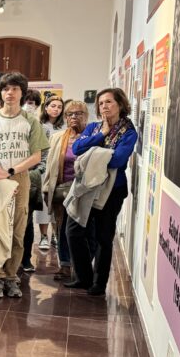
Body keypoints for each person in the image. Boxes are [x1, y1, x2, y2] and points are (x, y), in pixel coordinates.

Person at [0, 72, 49, 299]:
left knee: (18, 231)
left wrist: (11, 172)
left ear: (22, 92)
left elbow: (37, 155)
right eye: (6, 89)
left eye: (15, 89)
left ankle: (11, 277)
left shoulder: (30, 121)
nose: (10, 93)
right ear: (0, 92)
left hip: (19, 178)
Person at [66, 88, 137, 296]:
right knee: (74, 230)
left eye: (108, 102)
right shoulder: (94, 128)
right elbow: (77, 149)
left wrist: (93, 153)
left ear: (120, 105)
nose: (104, 106)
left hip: (112, 190)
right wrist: (103, 135)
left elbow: (118, 160)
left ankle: (98, 283)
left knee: (104, 237)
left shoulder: (129, 132)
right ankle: (83, 277)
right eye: (101, 103)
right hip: (87, 187)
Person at [42, 100, 89, 281]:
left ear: (86, 116)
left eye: (78, 113)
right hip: (61, 189)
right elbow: (49, 166)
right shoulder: (58, 137)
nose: (74, 117)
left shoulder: (91, 137)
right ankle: (65, 265)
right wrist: (47, 189)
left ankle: (81, 267)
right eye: (70, 114)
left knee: (79, 230)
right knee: (61, 229)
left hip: (82, 191)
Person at [35, 95, 66, 249]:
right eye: (53, 106)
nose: (56, 109)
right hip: (43, 169)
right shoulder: (39, 125)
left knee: (57, 203)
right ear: (46, 107)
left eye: (59, 107)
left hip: (59, 169)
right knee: (44, 205)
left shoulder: (64, 127)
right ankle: (43, 237)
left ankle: (56, 235)